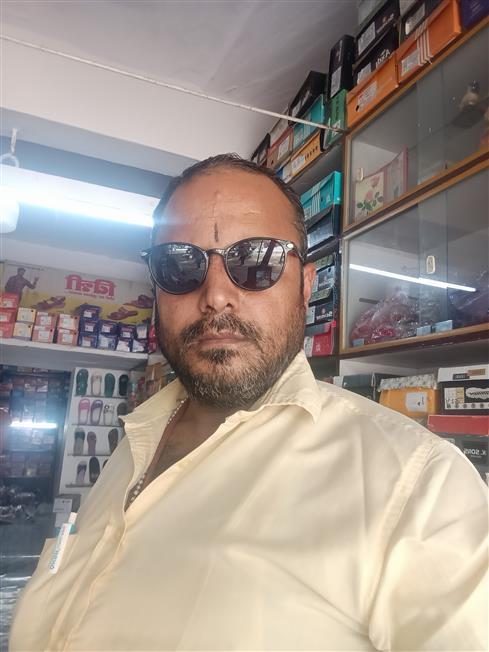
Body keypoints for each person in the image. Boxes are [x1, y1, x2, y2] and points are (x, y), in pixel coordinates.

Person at [10, 155, 487, 651]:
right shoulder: (132, 444)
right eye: (179, 265)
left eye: (257, 261)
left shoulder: (418, 488)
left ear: (306, 287)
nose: (216, 295)